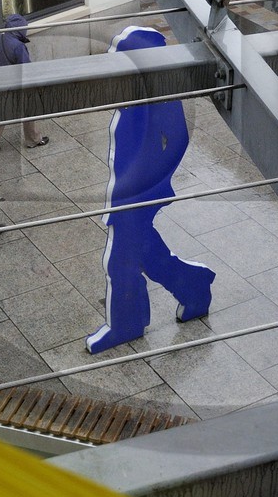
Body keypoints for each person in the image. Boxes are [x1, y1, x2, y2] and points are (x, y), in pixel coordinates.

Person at [86, 27, 216, 354]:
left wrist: (151, 182)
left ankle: (126, 324)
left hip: (138, 196)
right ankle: (193, 286)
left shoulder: (158, 99)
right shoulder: (132, 100)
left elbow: (177, 141)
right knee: (147, 255)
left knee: (119, 261)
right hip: (126, 194)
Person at [0, 13, 48, 148]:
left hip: (0, 80)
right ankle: (32, 139)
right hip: (17, 83)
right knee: (28, 109)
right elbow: (25, 69)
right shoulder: (18, 46)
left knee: (2, 113)